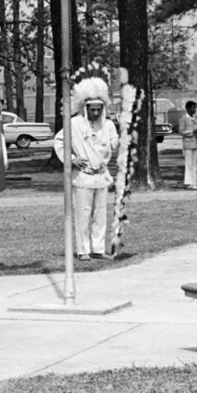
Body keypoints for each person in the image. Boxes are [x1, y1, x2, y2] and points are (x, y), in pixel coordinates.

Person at [52, 74, 121, 260]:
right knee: (82, 214)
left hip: (101, 176)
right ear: (85, 108)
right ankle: (83, 250)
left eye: (99, 109)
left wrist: (120, 137)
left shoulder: (108, 125)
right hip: (83, 176)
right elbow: (59, 141)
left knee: (100, 214)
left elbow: (114, 143)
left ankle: (98, 249)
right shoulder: (74, 124)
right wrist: (71, 158)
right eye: (93, 109)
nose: (96, 113)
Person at [177, 100, 197, 189]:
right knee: (188, 163)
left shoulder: (194, 119)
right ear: (188, 108)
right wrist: (192, 132)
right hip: (188, 143)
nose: (194, 109)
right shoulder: (183, 119)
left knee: (194, 163)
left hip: (195, 142)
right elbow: (181, 131)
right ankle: (188, 182)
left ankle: (194, 182)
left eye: (195, 107)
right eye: (193, 108)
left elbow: (196, 129)